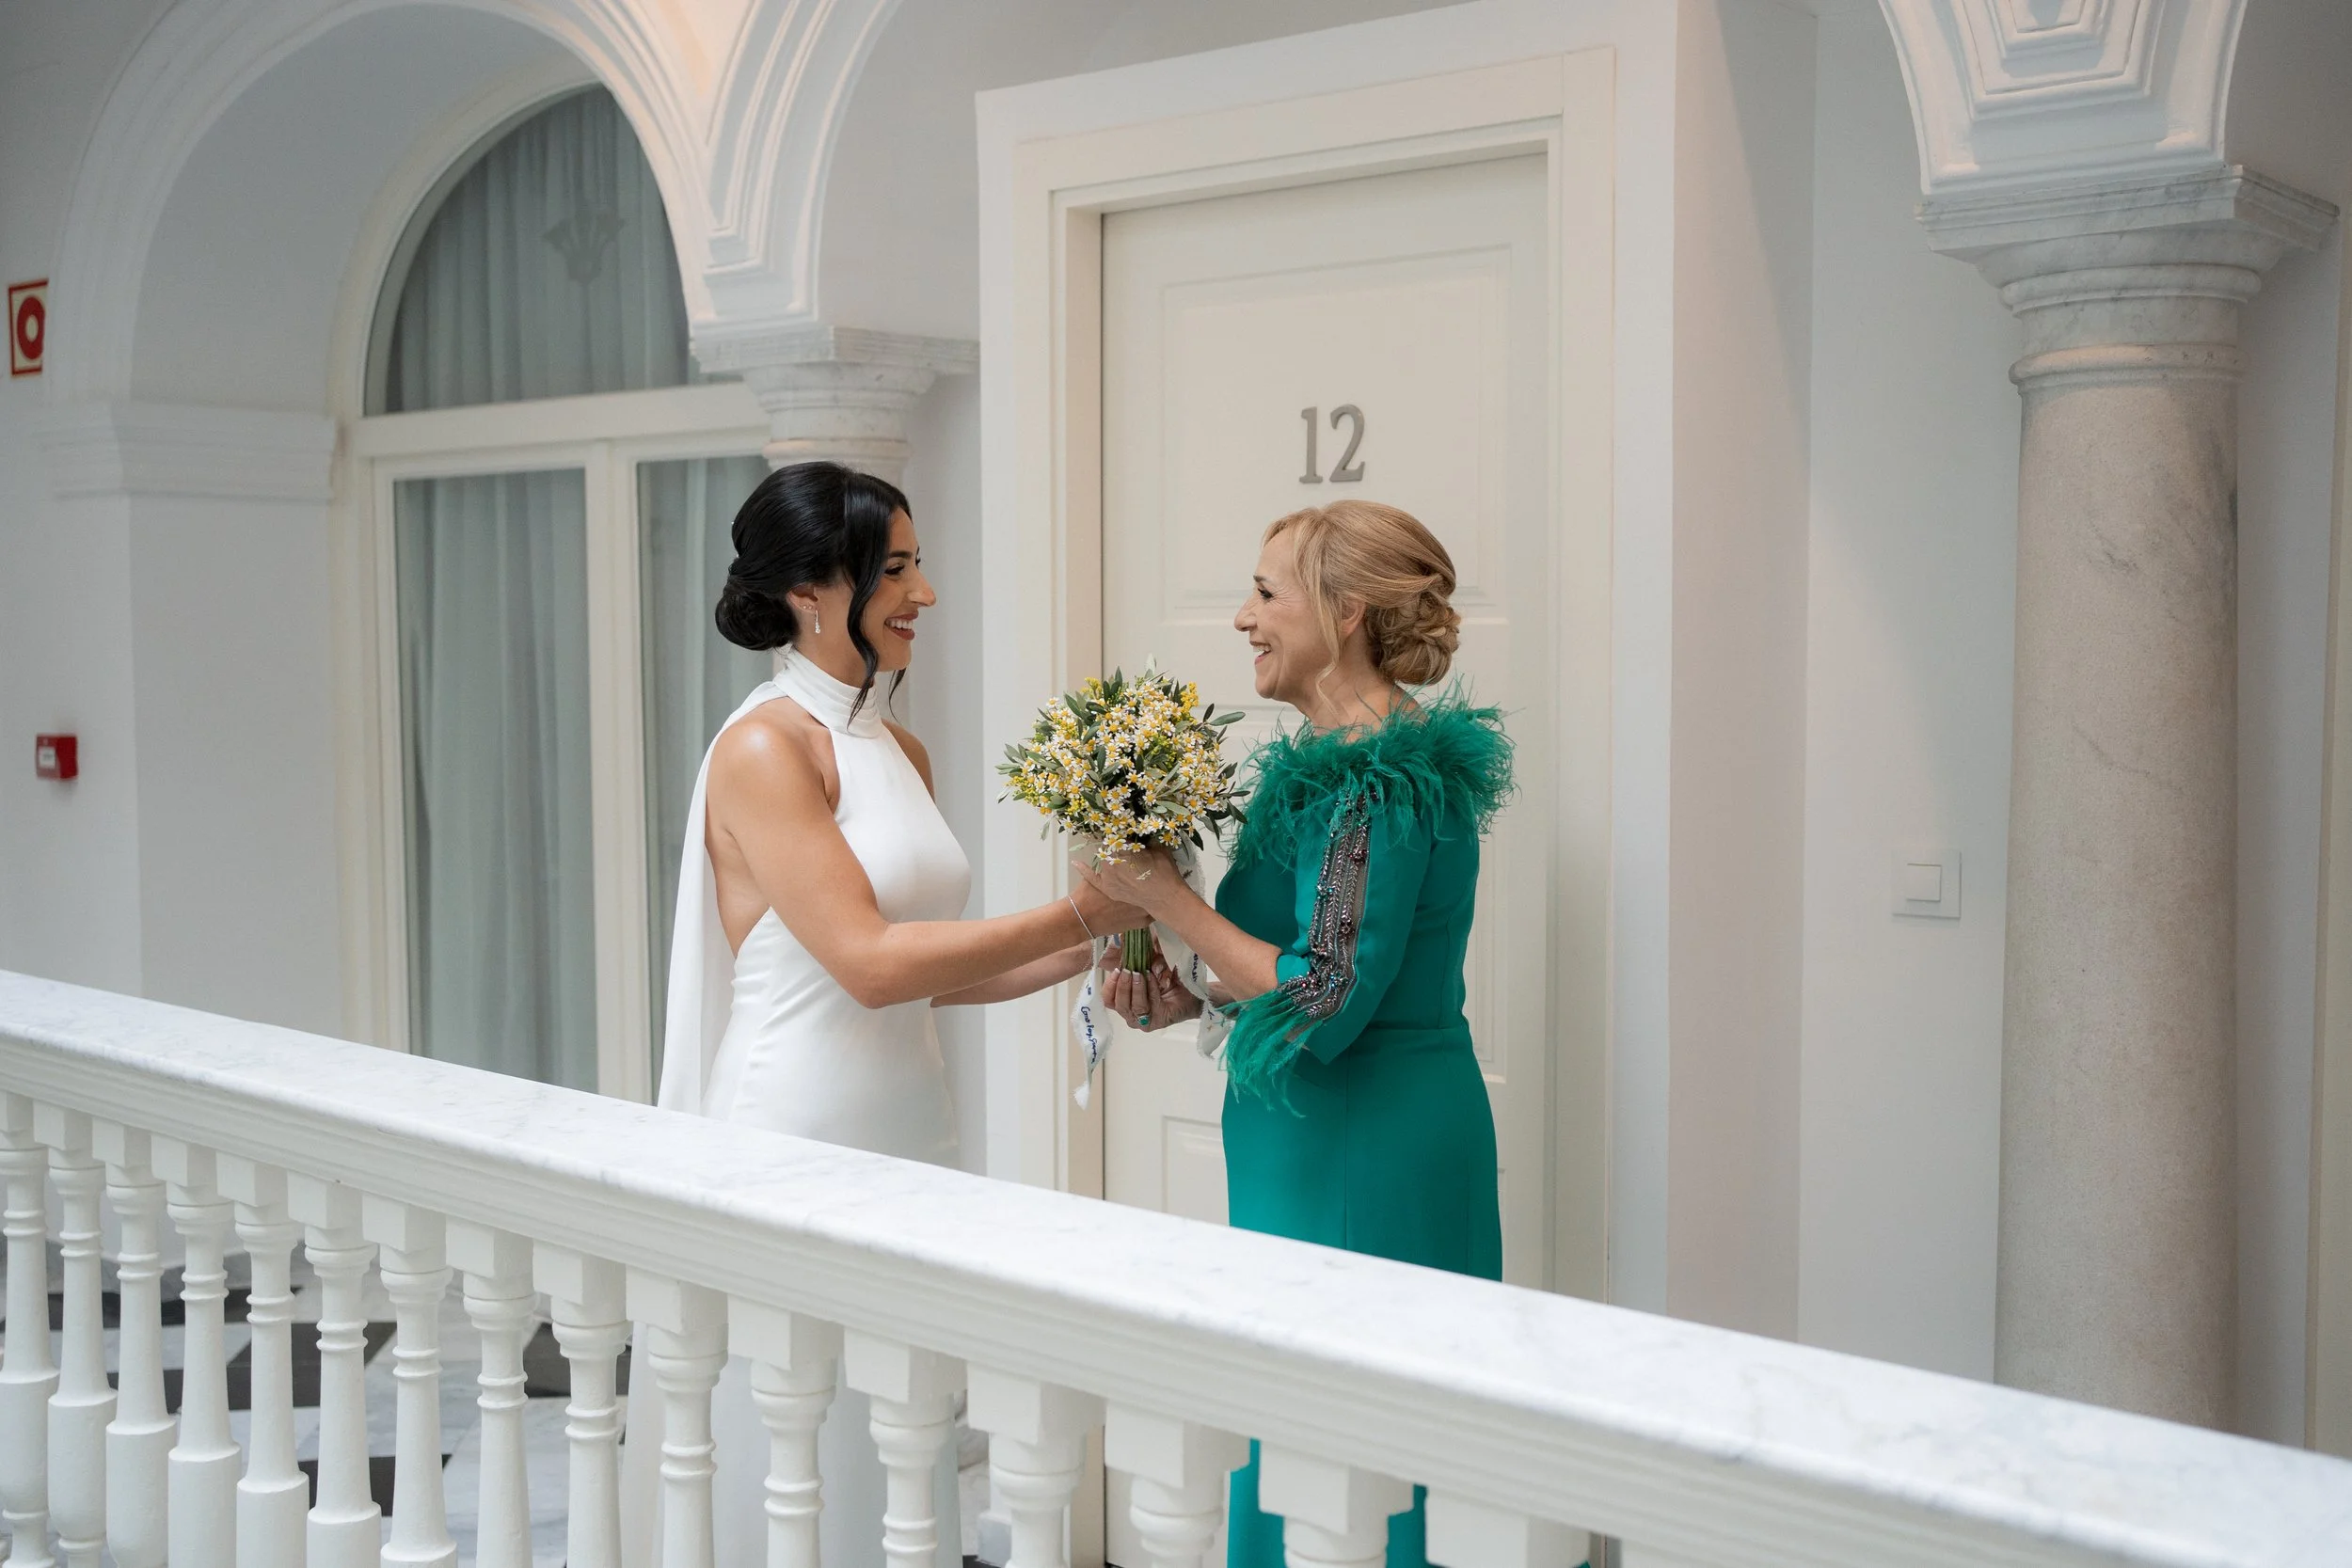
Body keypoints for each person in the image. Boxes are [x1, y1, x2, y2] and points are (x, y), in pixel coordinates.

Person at [623, 460, 1148, 1568]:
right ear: (813, 589)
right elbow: (864, 962)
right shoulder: (767, 745)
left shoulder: (895, 746)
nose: (926, 593)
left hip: (912, 1131)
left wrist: (1096, 944)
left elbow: (927, 971)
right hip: (794, 1138)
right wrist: (1071, 905)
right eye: (897, 567)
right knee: (795, 1450)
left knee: (897, 1447)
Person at [1076, 499, 1513, 1568]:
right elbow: (1297, 971)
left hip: (1369, 1146)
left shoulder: (1374, 779)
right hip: (1312, 1134)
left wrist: (1166, 902)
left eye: (1266, 593)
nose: (1242, 616)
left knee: (1364, 1437)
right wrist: (1194, 994)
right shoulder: (1330, 761)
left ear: (1346, 610)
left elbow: (1323, 995)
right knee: (1312, 1421)